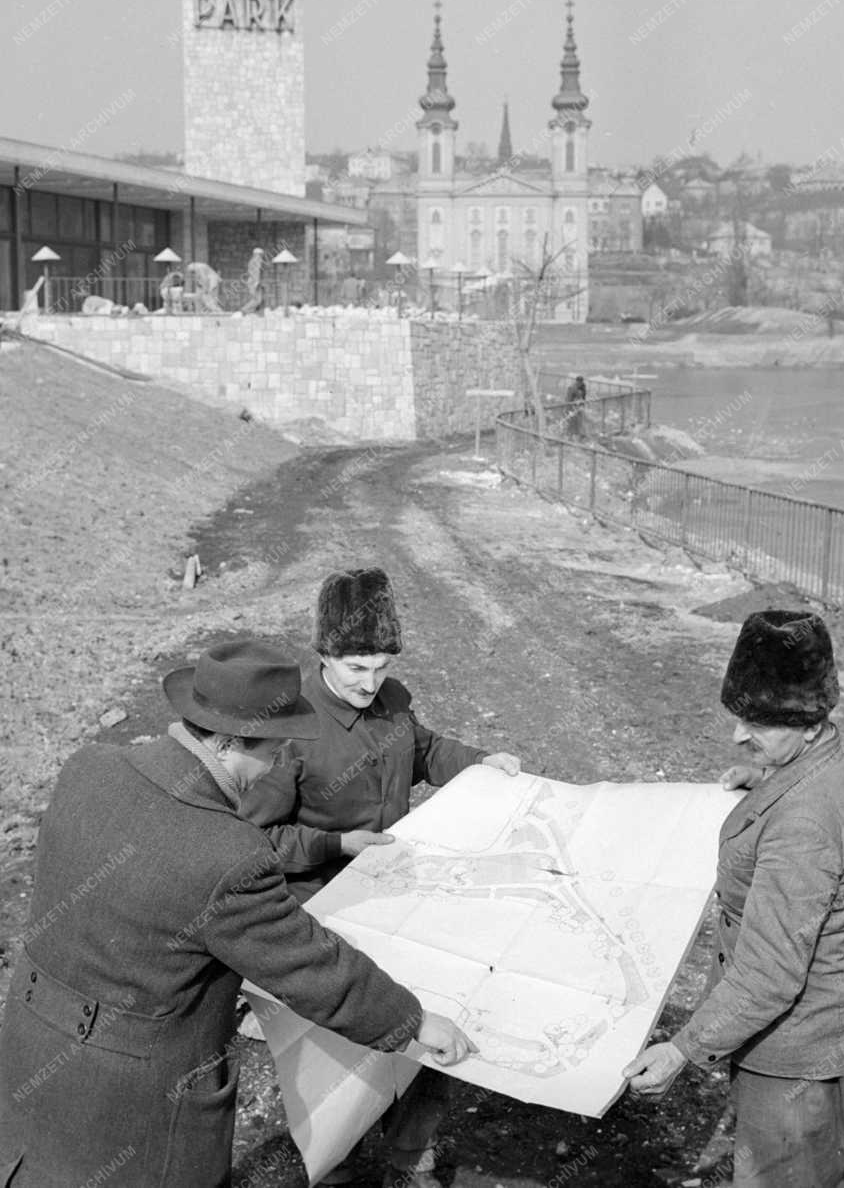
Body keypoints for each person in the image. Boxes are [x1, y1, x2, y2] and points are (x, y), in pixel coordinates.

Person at [0, 639, 475, 1187]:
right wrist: (410, 1020)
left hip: (33, 1044)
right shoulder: (227, 854)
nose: (275, 765)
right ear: (227, 743)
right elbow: (310, 967)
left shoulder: (88, 768)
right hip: (139, 1101)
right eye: (272, 751)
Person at [239, 567, 521, 1188]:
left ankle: (407, 1156)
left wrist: (481, 763)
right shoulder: (293, 728)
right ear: (323, 657)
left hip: (397, 895)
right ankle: (334, 1155)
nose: (371, 683)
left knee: (431, 1016)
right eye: (355, 668)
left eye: (382, 666)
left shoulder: (395, 703)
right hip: (324, 910)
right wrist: (337, 842)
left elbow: (424, 750)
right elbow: (252, 840)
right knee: (344, 1042)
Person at [624, 610, 844, 1188]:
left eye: (761, 725)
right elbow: (818, 798)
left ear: (811, 724)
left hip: (797, 1050)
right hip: (839, 1014)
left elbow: (769, 975)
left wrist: (681, 1050)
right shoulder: (842, 753)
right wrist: (768, 777)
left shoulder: (803, 827)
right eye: (741, 717)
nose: (738, 735)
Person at [564, 374, 587, 439]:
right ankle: (570, 436)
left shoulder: (580, 387)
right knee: (571, 422)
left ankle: (579, 434)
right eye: (579, 382)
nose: (580, 383)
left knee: (577, 421)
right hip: (571, 407)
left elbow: (582, 398)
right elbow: (570, 399)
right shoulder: (572, 387)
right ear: (577, 381)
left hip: (576, 407)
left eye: (581, 382)